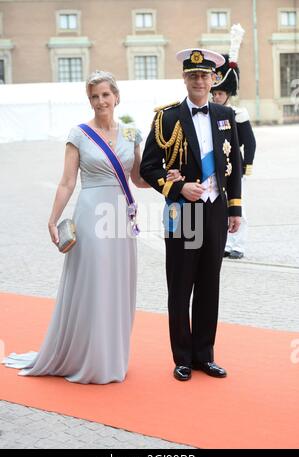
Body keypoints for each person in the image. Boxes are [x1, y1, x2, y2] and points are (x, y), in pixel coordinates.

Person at [2, 70, 182, 384]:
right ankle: (86, 355)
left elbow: (138, 179)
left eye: (105, 95)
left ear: (116, 97)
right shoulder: (79, 134)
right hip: (91, 217)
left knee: (117, 285)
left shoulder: (130, 134)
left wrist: (168, 178)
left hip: (120, 220)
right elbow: (67, 182)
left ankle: (111, 356)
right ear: (90, 100)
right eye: (95, 96)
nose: (101, 101)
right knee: (94, 283)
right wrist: (52, 217)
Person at [140, 49, 242, 381]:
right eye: (193, 75)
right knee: (181, 285)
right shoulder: (166, 118)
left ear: (213, 80)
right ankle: (182, 357)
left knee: (209, 285)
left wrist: (235, 209)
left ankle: (204, 355)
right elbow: (149, 167)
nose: (199, 81)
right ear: (185, 79)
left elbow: (235, 166)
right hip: (182, 212)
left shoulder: (225, 114)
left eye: (204, 76)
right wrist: (177, 188)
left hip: (214, 210)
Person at [211, 24, 256, 260]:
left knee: (239, 206)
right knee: (220, 206)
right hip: (216, 166)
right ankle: (226, 243)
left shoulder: (238, 113)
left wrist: (247, 167)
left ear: (228, 93)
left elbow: (250, 142)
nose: (216, 96)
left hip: (235, 166)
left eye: (220, 93)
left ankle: (239, 244)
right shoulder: (210, 113)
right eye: (214, 92)